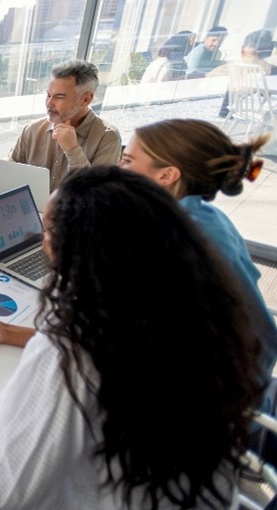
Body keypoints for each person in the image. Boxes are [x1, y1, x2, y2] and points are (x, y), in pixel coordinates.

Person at [0, 165, 263, 509]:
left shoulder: (72, 342)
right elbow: (111, 354)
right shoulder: (183, 305)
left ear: (78, 252)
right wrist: (7, 331)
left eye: (46, 232)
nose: (39, 242)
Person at [119, 119, 277, 382]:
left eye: (127, 161)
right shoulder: (205, 215)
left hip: (218, 398)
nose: (118, 168)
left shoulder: (175, 238)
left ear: (167, 175)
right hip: (250, 369)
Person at [0, 60, 121, 193]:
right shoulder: (33, 129)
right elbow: (10, 169)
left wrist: (73, 150)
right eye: (48, 95)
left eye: (59, 97)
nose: (49, 103)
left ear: (85, 100)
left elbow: (96, 196)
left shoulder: (108, 137)